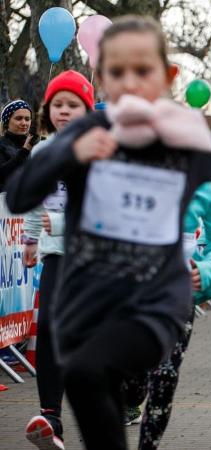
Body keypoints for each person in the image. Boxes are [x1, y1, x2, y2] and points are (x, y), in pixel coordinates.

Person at [4, 16, 211, 450]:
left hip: (160, 296)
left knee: (100, 371)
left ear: (166, 78)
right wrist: (65, 155)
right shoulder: (90, 132)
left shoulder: (181, 137)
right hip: (97, 292)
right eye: (116, 72)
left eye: (142, 71)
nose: (129, 82)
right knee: (83, 373)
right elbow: (18, 197)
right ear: (100, 78)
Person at [123, 181, 211, 450]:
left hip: (179, 294)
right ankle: (131, 395)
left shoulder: (203, 186)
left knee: (166, 375)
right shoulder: (126, 173)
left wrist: (207, 270)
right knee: (134, 381)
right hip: (131, 293)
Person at [21, 70, 94, 450]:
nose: (64, 112)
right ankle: (51, 416)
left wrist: (63, 222)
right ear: (47, 111)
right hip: (55, 254)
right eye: (57, 105)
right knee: (48, 326)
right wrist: (32, 239)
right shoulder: (42, 152)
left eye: (73, 105)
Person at [1, 99, 34, 191]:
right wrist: (23, 152)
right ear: (7, 121)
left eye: (27, 119)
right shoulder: (2, 145)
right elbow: (2, 174)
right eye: (18, 118)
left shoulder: (34, 145)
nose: (24, 123)